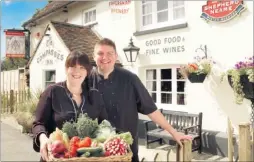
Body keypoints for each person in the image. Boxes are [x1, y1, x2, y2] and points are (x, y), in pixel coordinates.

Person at [90, 38, 192, 162]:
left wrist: (173, 132)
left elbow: (151, 109)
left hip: (127, 149)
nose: (104, 57)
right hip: (96, 152)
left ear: (116, 56)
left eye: (109, 53)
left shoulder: (130, 79)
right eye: (100, 53)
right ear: (94, 56)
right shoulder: (86, 81)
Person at [32, 51, 107, 162]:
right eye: (73, 66)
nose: (77, 71)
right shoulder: (53, 91)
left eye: (82, 67)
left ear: (87, 72)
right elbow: (38, 123)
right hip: (57, 157)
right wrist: (43, 138)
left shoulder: (95, 95)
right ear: (66, 69)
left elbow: (104, 124)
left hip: (88, 158)